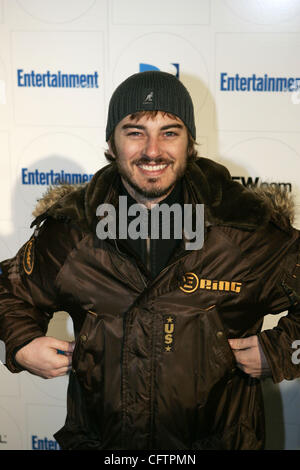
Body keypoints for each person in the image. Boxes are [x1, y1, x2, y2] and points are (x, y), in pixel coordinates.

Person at [0, 71, 300, 450]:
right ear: (111, 142)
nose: (153, 150)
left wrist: (280, 352)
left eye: (170, 132)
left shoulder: (245, 230)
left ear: (190, 142)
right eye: (135, 131)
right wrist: (22, 343)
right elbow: (7, 292)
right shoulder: (71, 232)